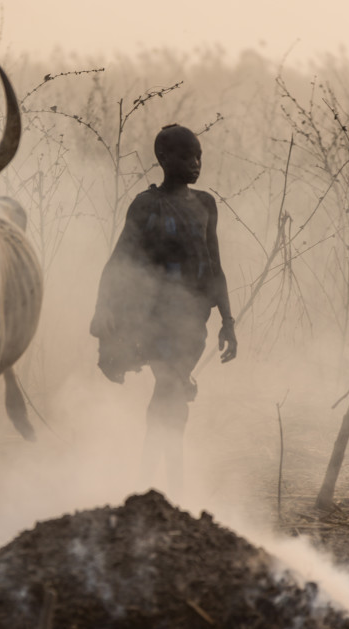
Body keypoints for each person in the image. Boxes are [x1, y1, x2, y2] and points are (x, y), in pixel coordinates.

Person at [90, 124, 237, 497]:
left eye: (199, 156)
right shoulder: (146, 204)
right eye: (186, 157)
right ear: (163, 159)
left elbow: (215, 266)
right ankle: (165, 484)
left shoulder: (206, 204)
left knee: (171, 392)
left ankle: (151, 488)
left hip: (194, 321)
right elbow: (120, 261)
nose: (195, 164)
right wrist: (102, 308)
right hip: (155, 320)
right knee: (170, 386)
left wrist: (228, 322)